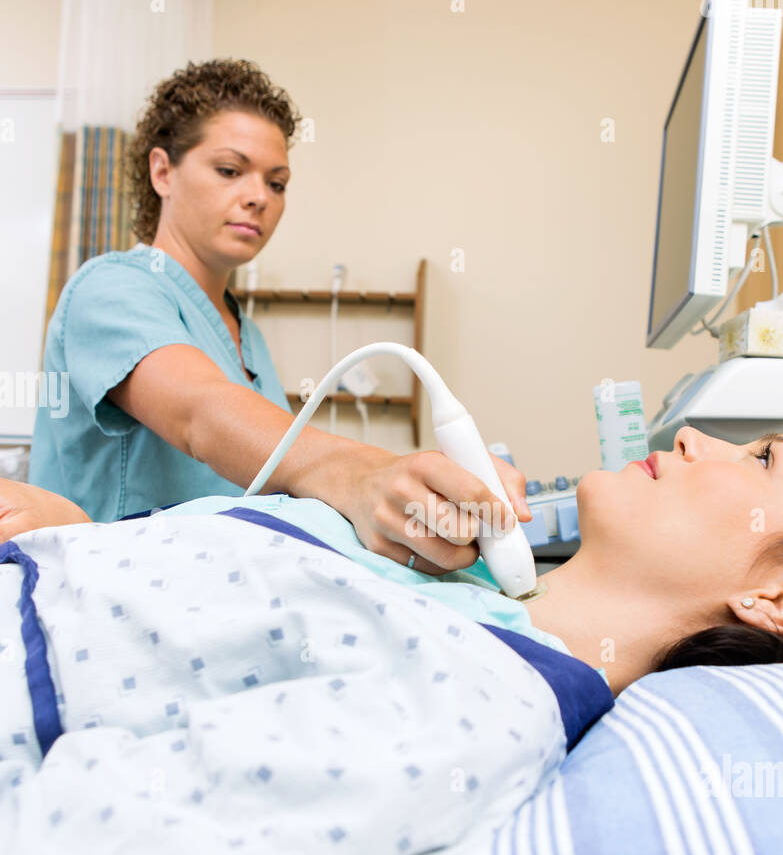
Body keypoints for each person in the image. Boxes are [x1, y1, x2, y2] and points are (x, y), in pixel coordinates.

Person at [27, 58, 530, 573]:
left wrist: (426, 488)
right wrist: (364, 473)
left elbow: (281, 471)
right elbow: (201, 414)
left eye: (277, 183)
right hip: (108, 606)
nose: (257, 198)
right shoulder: (110, 290)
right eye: (229, 170)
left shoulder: (248, 337)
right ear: (162, 171)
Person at [7, 425, 783, 695]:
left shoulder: (481, 700)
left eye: (763, 460)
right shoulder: (468, 593)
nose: (692, 436)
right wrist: (78, 538)